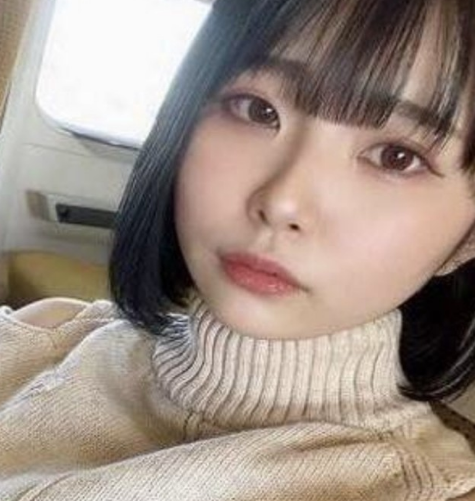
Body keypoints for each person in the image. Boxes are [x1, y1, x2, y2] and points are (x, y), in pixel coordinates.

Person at [1, 0, 475, 499]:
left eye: (397, 157)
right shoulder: (47, 331)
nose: (282, 201)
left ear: (467, 239)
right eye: (257, 109)